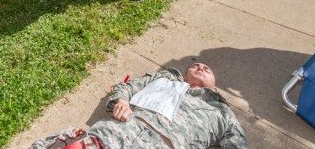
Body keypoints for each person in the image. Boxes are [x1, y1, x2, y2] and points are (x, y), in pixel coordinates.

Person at [31, 63, 248, 149]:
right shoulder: (165, 78)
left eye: (206, 69)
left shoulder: (221, 111)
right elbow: (126, 87)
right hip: (119, 132)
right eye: (195, 66)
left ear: (216, 87)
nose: (200, 67)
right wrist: (122, 100)